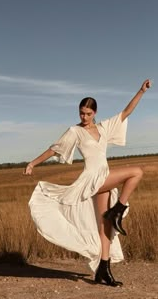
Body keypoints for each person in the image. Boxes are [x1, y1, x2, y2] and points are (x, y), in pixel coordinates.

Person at [23, 79, 151, 287]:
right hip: (92, 180)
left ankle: (103, 269)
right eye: (81, 113)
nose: (84, 117)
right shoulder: (75, 131)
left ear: (95, 113)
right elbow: (54, 149)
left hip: (104, 177)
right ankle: (119, 209)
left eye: (88, 113)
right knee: (136, 171)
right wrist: (33, 163)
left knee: (105, 227)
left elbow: (126, 112)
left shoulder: (104, 128)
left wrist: (141, 91)